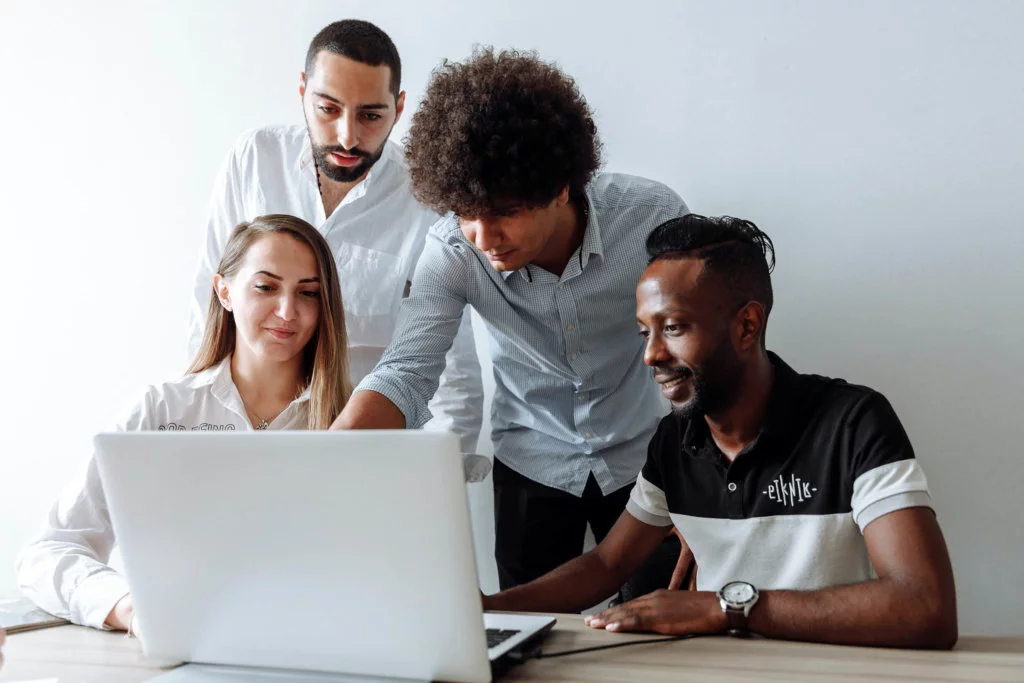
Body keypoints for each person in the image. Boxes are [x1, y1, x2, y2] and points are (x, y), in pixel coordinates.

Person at [482, 214, 959, 649]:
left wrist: (724, 607)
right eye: (644, 332)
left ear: (747, 325)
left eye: (672, 327)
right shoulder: (673, 441)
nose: (650, 355)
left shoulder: (854, 422)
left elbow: (926, 608)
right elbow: (606, 566)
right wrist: (484, 611)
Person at [332, 48, 691, 600]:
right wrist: (324, 467)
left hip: (648, 458)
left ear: (560, 186)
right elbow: (406, 371)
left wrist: (710, 488)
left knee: (658, 634)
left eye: (503, 211)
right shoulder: (453, 249)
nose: (482, 235)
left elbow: (702, 354)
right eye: (465, 212)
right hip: (532, 463)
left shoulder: (651, 218)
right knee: (527, 639)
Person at [18, 215, 352, 633]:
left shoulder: (353, 421)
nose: (287, 311)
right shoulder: (160, 410)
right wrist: (130, 610)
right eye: (266, 287)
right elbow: (48, 552)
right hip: (181, 647)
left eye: (308, 293)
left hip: (316, 642)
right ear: (224, 291)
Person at [190, 19, 482, 452]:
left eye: (370, 115)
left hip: (368, 460)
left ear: (399, 108)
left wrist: (434, 485)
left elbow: (451, 369)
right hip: (247, 446)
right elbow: (208, 312)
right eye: (328, 109)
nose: (348, 136)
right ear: (303, 90)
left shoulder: (427, 198)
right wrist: (196, 433)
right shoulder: (253, 159)